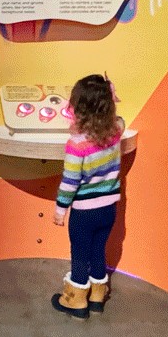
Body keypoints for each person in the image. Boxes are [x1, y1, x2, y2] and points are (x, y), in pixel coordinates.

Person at [51, 74, 124, 320]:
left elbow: (70, 183)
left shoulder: (76, 145)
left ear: (78, 109)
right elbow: (120, 119)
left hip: (84, 213)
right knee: (98, 251)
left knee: (79, 255)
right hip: (109, 209)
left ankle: (75, 301)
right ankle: (97, 298)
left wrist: (61, 210)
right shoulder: (116, 132)